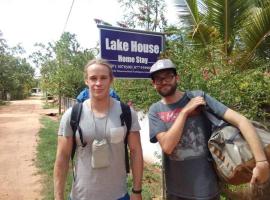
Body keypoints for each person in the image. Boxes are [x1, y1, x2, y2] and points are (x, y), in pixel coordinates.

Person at [148, 59, 270, 200]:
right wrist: (184, 112)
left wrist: (261, 162)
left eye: (168, 76)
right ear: (153, 84)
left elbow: (241, 121)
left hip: (206, 189)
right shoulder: (155, 110)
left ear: (177, 77)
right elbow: (168, 147)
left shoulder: (198, 98)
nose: (163, 81)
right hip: (175, 191)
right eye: (158, 79)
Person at [54, 58, 143, 200]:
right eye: (93, 78)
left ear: (111, 80)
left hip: (119, 195)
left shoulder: (127, 113)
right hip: (81, 196)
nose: (98, 83)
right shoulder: (72, 115)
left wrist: (137, 191)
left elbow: (136, 151)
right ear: (86, 81)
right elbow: (62, 157)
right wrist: (58, 197)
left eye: (103, 78)